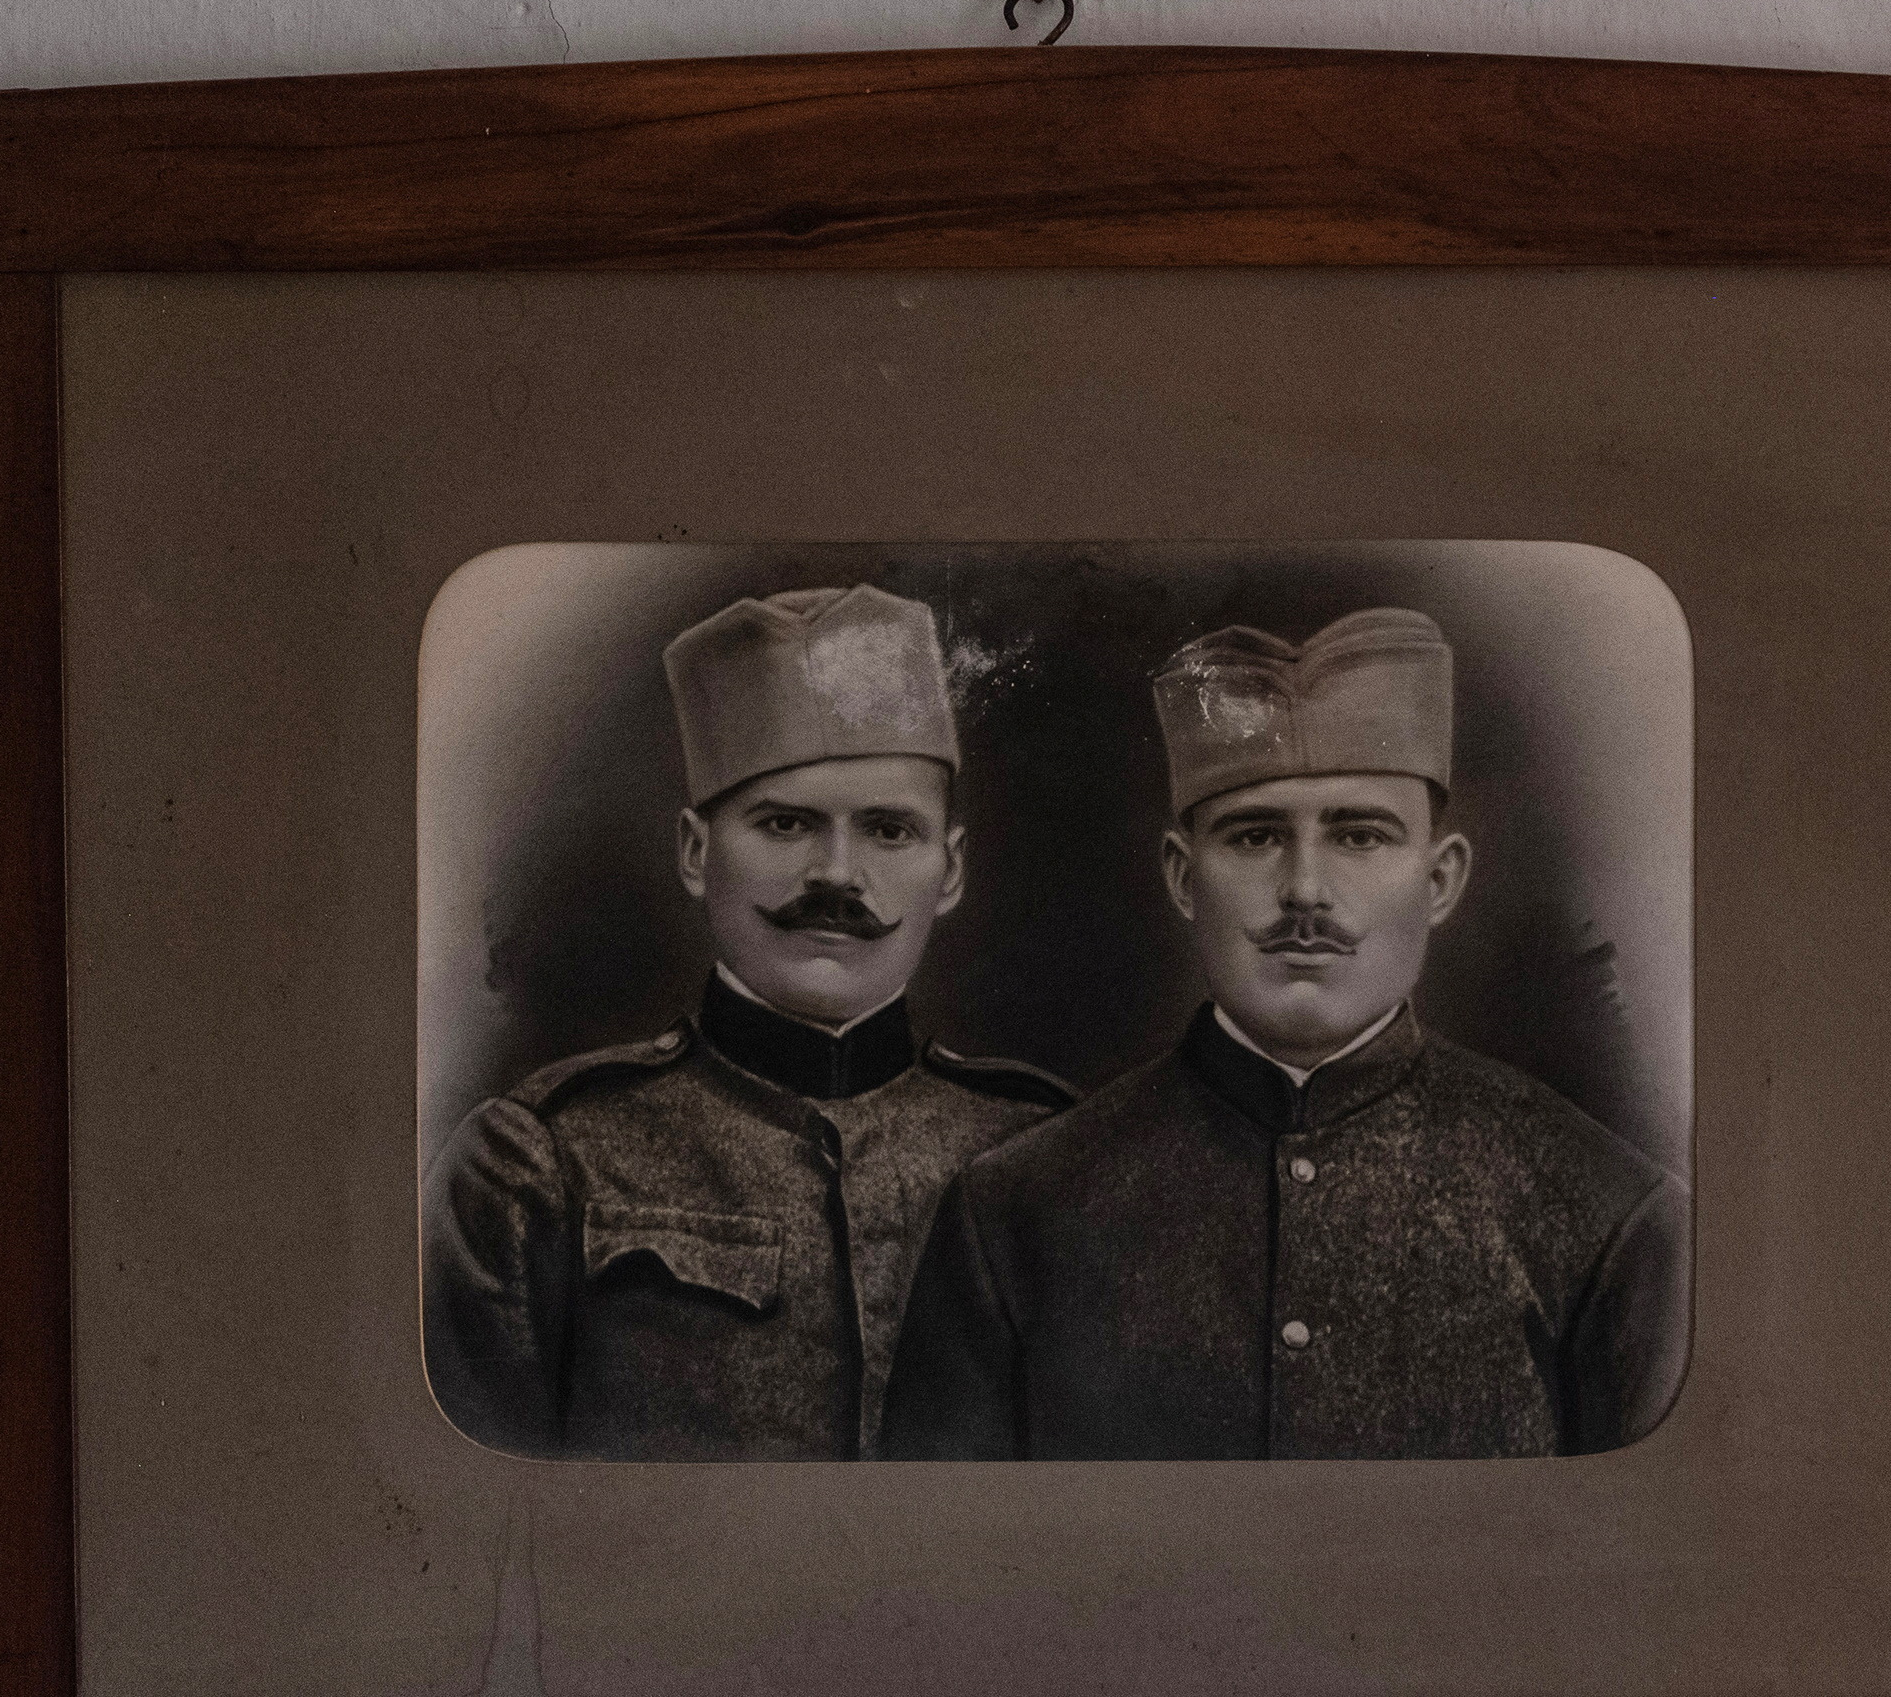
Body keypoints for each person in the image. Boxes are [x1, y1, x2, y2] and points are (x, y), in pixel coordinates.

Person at [878, 605, 1686, 1461]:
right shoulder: (1014, 1216)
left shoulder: (1610, 1218)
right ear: (1185, 877)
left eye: (1360, 834)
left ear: (1441, 878)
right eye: (1257, 834)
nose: (1305, 889)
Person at [423, 585, 1065, 1458]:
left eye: (887, 829)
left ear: (948, 871)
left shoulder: (1051, 1158)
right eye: (786, 822)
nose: (837, 874)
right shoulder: (538, 1166)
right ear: (696, 850)